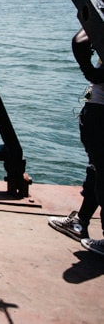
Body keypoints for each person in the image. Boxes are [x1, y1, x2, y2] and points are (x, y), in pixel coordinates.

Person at [48, 28, 104, 256]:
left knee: (100, 168)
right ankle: (80, 222)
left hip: (100, 109)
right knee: (97, 168)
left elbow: (80, 40)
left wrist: (90, 70)